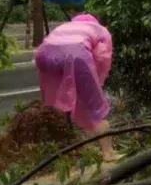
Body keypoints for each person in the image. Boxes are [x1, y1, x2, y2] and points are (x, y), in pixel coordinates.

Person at [34, 14, 117, 161]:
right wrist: (96, 85)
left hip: (43, 55)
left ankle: (85, 148)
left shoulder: (65, 26)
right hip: (75, 54)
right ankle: (108, 153)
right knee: (96, 110)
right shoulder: (101, 31)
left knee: (64, 102)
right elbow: (102, 58)